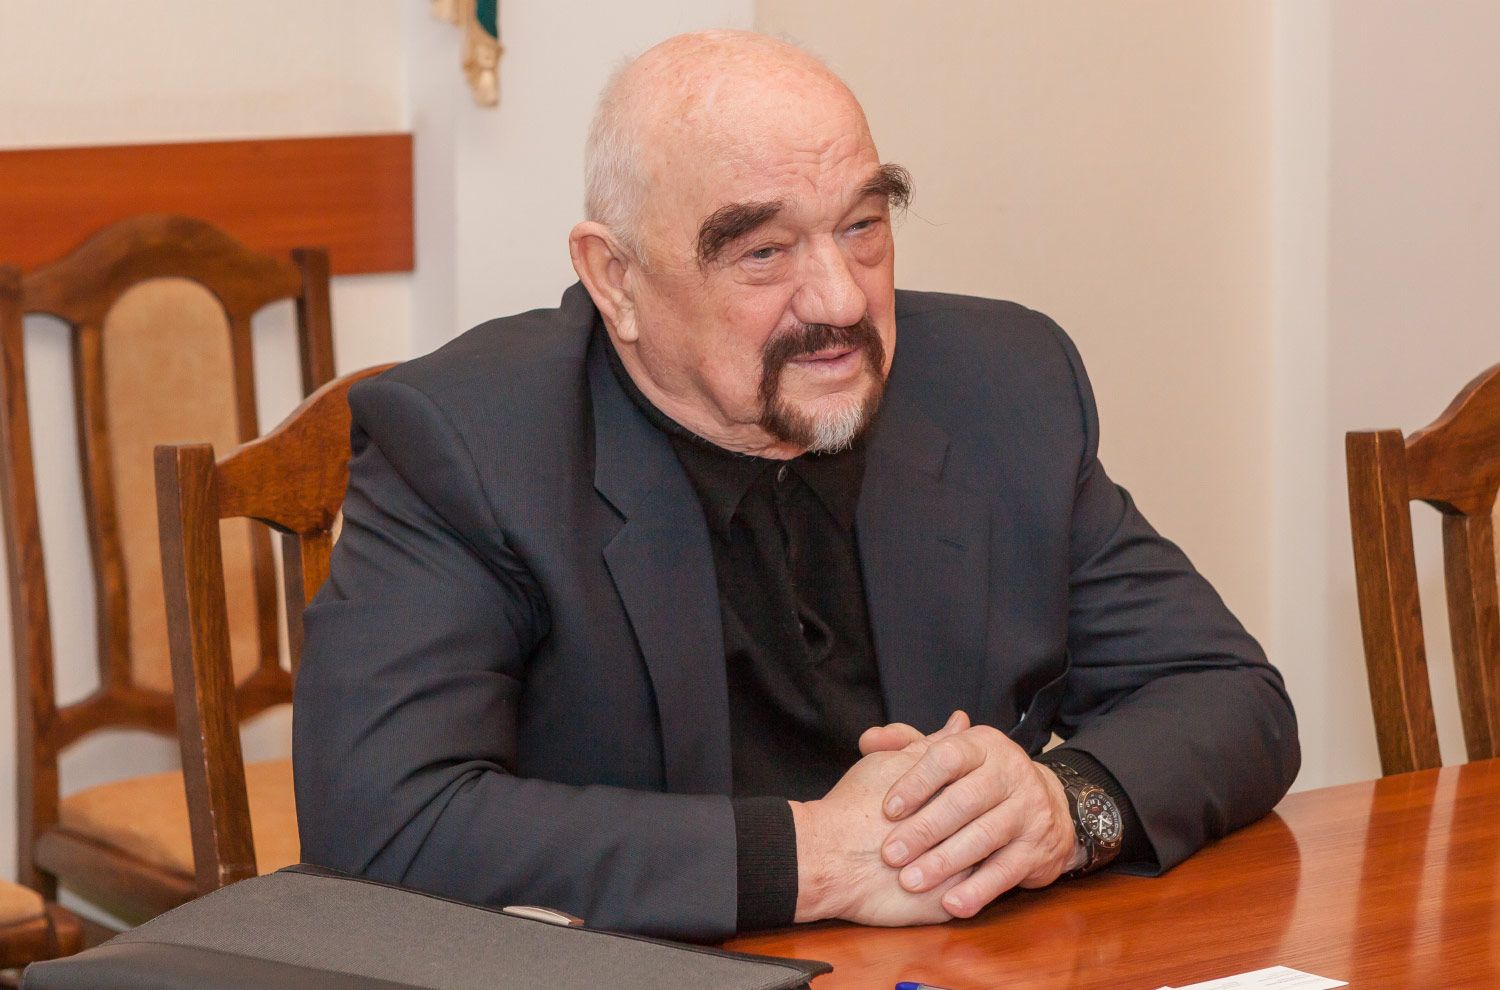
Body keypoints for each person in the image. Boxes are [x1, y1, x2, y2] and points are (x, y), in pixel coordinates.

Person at [293, 30, 1299, 942]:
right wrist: (818, 857)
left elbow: (1230, 694)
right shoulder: (472, 442)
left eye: (862, 225)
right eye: (763, 251)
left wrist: (1060, 808)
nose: (840, 300)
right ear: (616, 280)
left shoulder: (1002, 385)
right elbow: (380, 822)